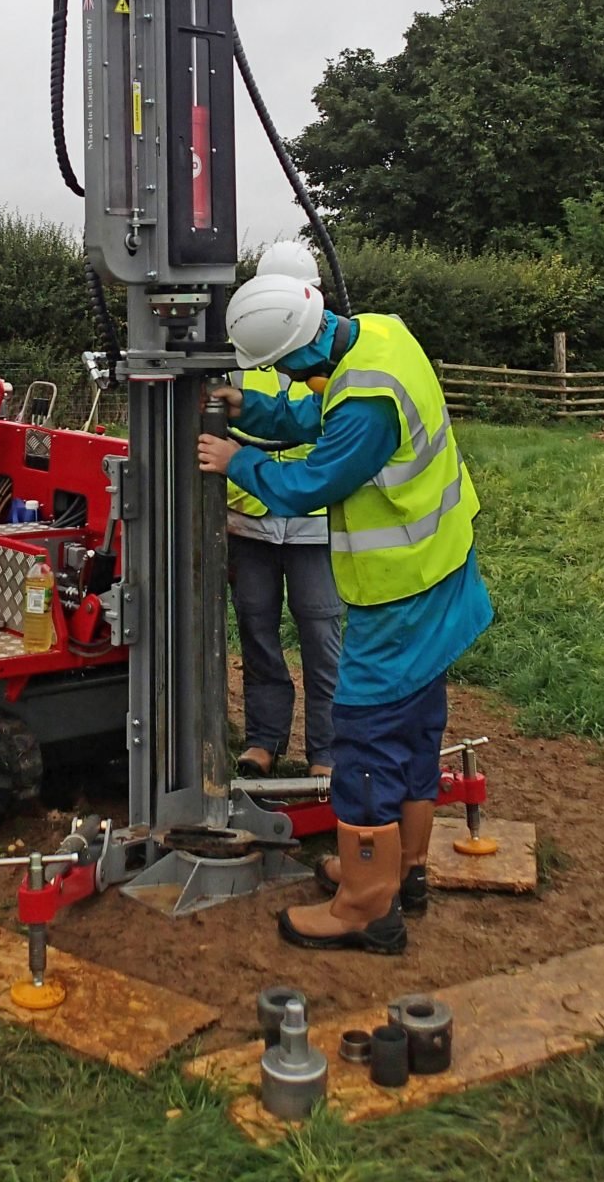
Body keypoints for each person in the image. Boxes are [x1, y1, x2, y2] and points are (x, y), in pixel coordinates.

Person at [198, 272, 493, 956]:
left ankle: (365, 906)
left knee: (362, 739)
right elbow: (317, 415)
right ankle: (403, 871)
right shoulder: (379, 337)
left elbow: (311, 481)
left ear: (299, 350)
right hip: (441, 569)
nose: (286, 378)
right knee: (415, 728)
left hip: (399, 595)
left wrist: (236, 460)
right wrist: (251, 407)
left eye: (281, 368)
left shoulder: (364, 406)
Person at [227, 241, 342, 780]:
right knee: (257, 633)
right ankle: (264, 740)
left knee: (322, 636)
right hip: (249, 521)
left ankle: (327, 751)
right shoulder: (242, 347)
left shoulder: (332, 361)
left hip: (313, 522)